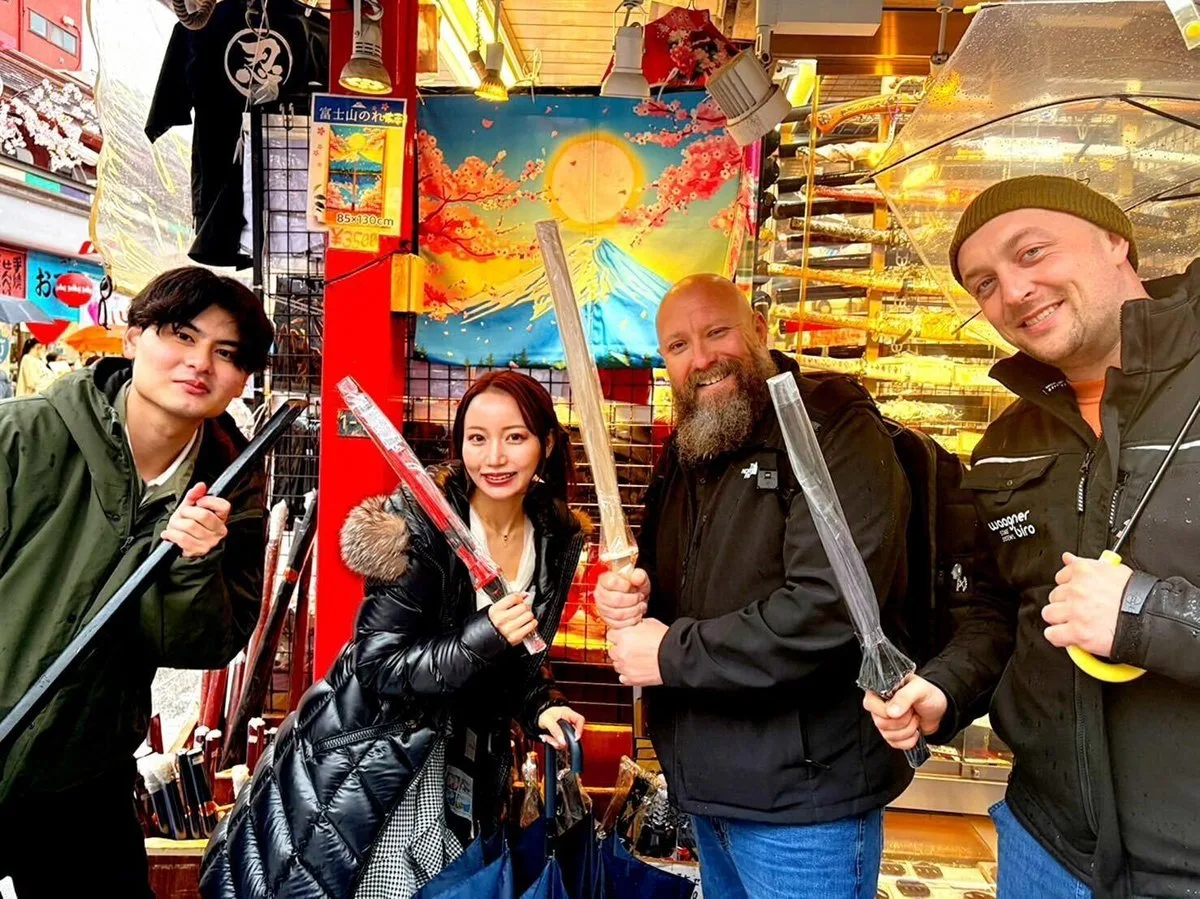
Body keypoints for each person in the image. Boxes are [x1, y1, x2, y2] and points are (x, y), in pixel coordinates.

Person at [865, 175, 1200, 899]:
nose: (1012, 291)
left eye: (1033, 251)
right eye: (983, 283)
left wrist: (1150, 616)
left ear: (1115, 241)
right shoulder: (1006, 444)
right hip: (1044, 846)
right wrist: (944, 690)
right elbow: (996, 612)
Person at [200, 370, 589, 899]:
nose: (494, 457)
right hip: (379, 754)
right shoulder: (421, 522)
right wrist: (483, 635)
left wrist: (541, 704)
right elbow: (378, 664)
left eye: (514, 437)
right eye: (477, 438)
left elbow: (521, 655)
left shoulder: (556, 533)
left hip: (471, 763)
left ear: (545, 444)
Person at [594, 274, 913, 899]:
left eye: (718, 332)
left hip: (803, 799)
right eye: (678, 345)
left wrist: (668, 653)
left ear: (760, 331)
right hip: (709, 786)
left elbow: (833, 605)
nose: (701, 357)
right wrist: (629, 597)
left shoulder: (827, 426)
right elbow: (670, 592)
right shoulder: (688, 448)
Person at [0, 266, 275, 899]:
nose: (199, 362)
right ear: (132, 338)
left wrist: (193, 563)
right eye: (181, 335)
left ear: (241, 379)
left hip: (82, 779)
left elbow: (200, 646)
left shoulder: (233, 489)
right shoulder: (22, 436)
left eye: (226, 353)